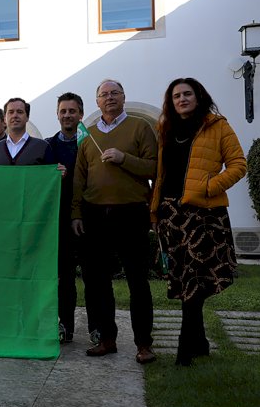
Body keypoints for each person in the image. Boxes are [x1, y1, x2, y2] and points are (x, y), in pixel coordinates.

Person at [151, 78, 246, 366]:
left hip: (203, 215)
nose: (182, 99)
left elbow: (239, 164)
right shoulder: (165, 129)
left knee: (195, 279)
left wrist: (207, 187)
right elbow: (162, 173)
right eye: (176, 95)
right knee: (183, 278)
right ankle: (200, 341)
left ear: (198, 96)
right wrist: (154, 210)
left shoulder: (217, 126)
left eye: (187, 94)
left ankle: (185, 348)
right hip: (172, 213)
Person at [71, 79, 158, 364]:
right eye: (103, 94)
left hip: (130, 212)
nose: (109, 98)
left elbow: (154, 166)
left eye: (114, 93)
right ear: (96, 102)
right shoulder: (88, 135)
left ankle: (144, 343)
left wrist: (124, 158)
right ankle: (107, 338)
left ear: (124, 97)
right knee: (97, 282)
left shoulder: (140, 128)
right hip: (95, 213)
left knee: (137, 281)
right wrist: (76, 213)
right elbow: (79, 178)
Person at [45, 92, 94, 344]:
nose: (67, 115)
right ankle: (65, 326)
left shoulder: (91, 143)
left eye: (72, 111)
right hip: (59, 221)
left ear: (81, 114)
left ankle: (97, 328)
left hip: (89, 218)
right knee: (64, 278)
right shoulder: (47, 146)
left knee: (93, 276)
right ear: (57, 114)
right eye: (63, 111)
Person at [0, 98, 55, 166]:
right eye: (11, 112)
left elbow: (51, 175)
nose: (15, 115)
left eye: (19, 112)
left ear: (27, 117)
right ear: (5, 118)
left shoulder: (42, 147)